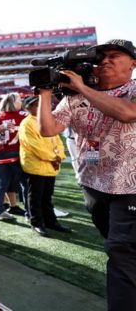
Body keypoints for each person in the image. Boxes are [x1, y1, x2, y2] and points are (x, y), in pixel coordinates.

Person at [37, 39, 136, 310]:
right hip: (92, 184)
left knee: (120, 251)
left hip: (130, 188)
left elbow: (128, 113)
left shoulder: (134, 89)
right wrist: (45, 95)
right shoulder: (74, 98)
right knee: (117, 245)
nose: (105, 60)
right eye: (101, 56)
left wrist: (81, 87)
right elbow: (48, 129)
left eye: (115, 56)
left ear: (133, 64)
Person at [18, 96, 69, 236]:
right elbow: (34, 145)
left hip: (50, 165)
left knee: (47, 196)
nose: (40, 107)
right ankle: (36, 223)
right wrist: (53, 157)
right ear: (27, 108)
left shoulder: (46, 120)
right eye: (36, 105)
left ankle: (51, 221)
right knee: (35, 197)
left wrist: (60, 156)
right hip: (36, 165)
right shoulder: (26, 123)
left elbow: (57, 139)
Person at [0, 92, 28, 220]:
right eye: (19, 100)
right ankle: (30, 212)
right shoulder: (24, 115)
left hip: (0, 154)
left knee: (2, 184)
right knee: (25, 183)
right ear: (13, 102)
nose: (21, 102)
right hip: (17, 152)